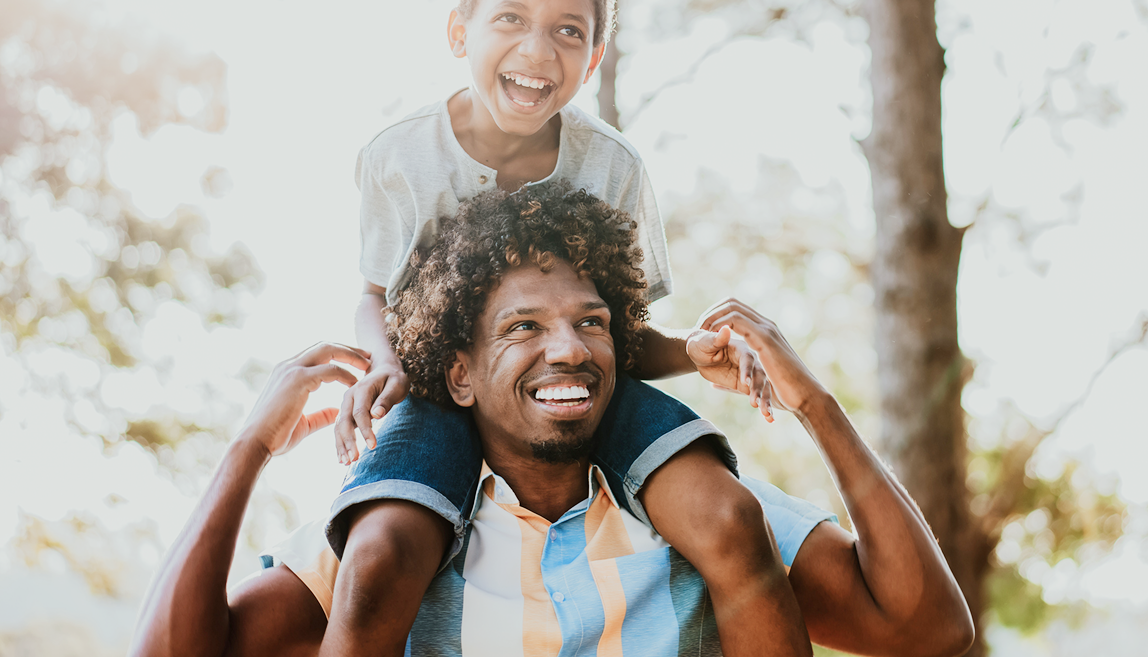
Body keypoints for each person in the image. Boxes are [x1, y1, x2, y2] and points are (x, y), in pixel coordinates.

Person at [129, 184, 975, 657]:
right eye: (523, 327)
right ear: (458, 376)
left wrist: (815, 409)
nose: (568, 348)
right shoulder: (396, 533)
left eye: (593, 321)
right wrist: (248, 450)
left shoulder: (701, 513)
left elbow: (927, 627)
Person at [332, 0, 786, 656]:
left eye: (569, 31)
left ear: (595, 56)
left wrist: (691, 354)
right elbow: (372, 294)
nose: (538, 51)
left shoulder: (613, 169)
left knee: (732, 518)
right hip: (441, 390)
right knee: (378, 554)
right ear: (459, 32)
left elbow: (621, 339)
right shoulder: (399, 157)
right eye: (510, 19)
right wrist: (384, 362)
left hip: (580, 394)